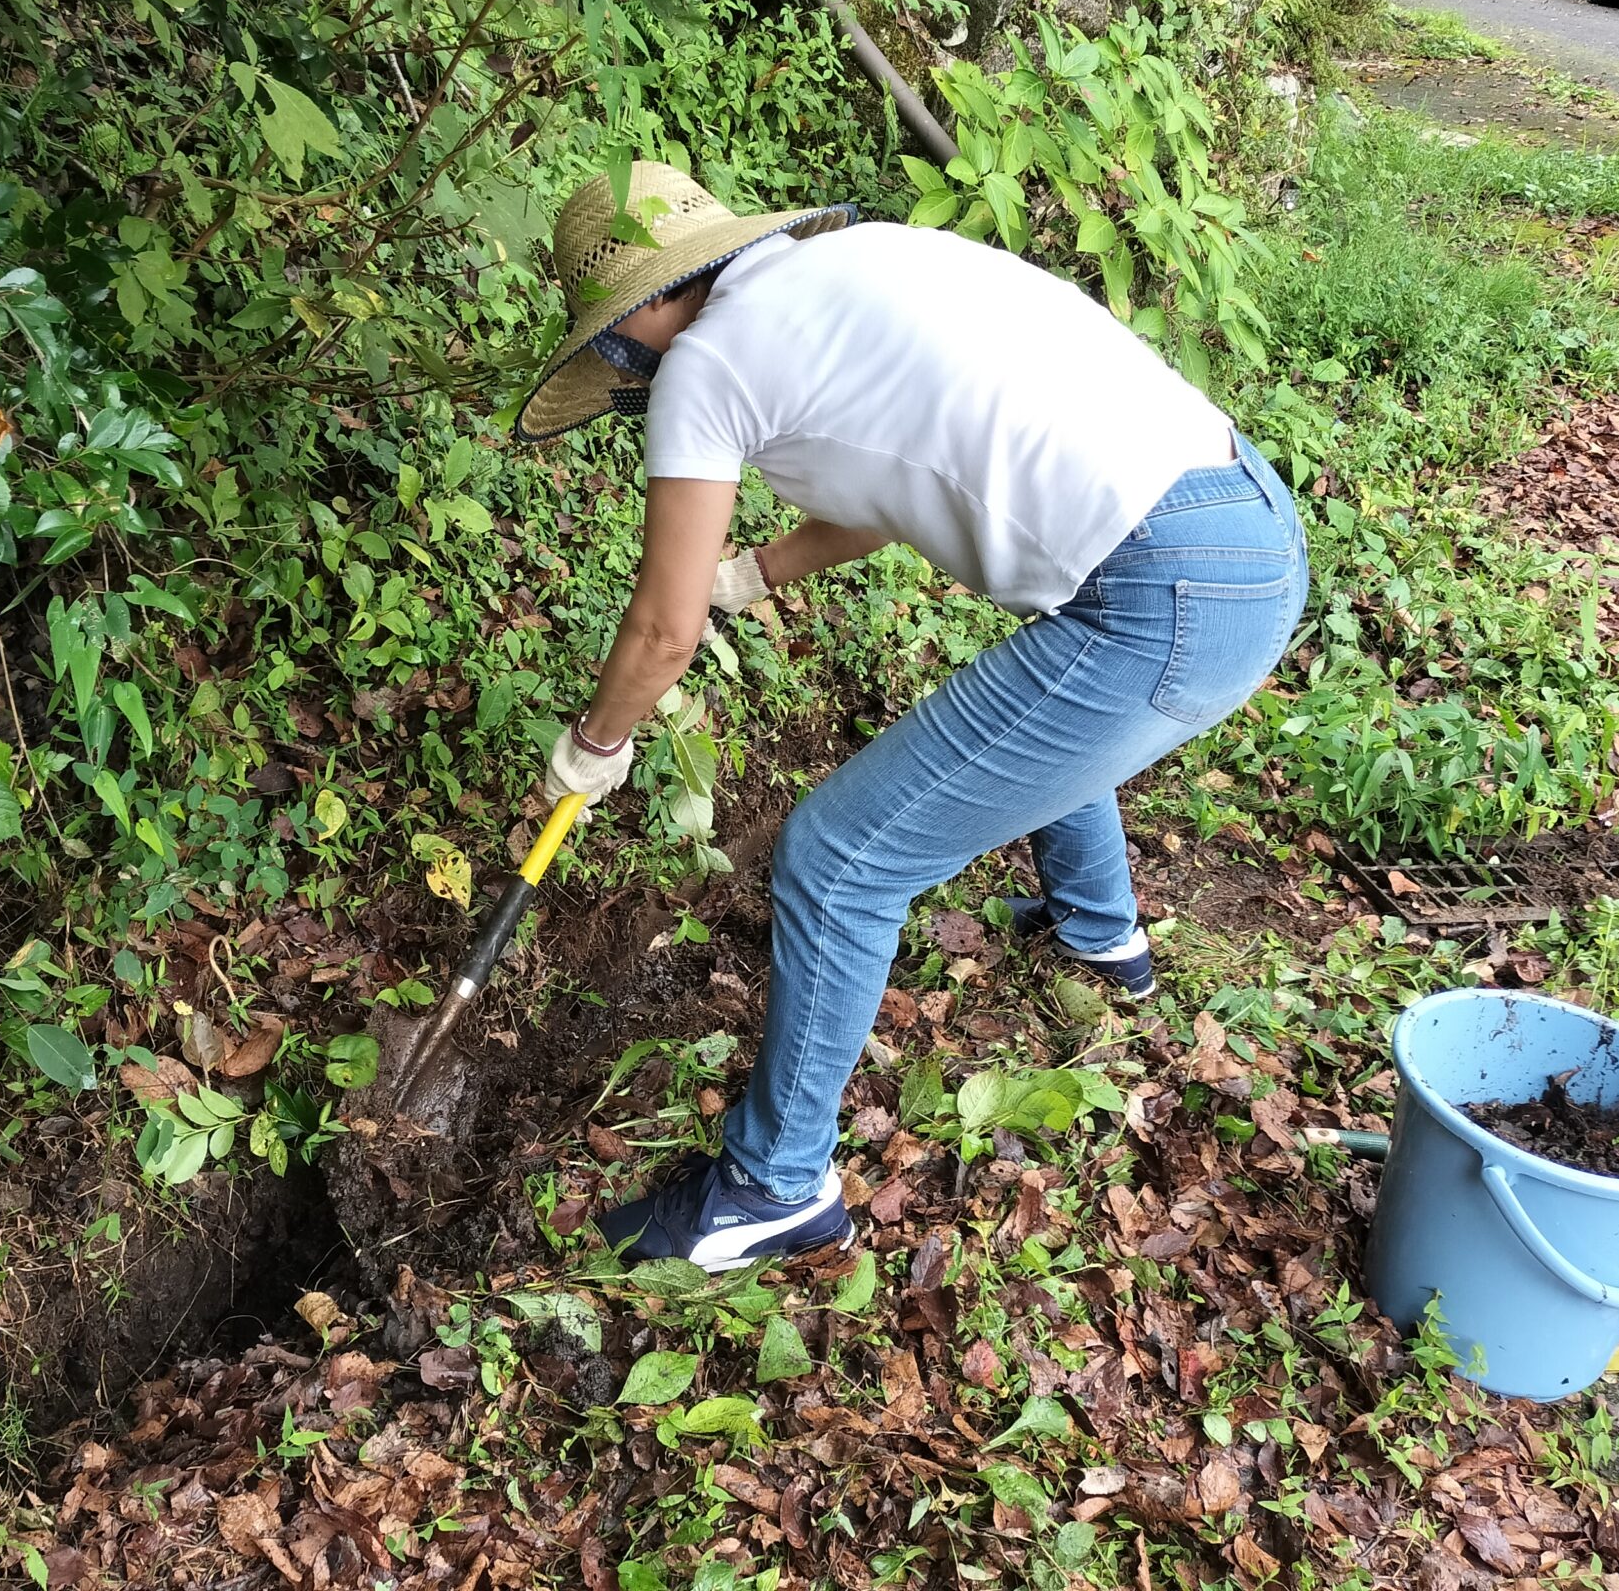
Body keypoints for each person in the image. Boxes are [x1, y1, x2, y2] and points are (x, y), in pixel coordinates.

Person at [515, 162, 1307, 1270]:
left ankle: (773, 1189)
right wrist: (750, 576)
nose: (621, 364)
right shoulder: (862, 264)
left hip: (1159, 593)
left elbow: (659, 634)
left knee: (839, 859)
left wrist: (590, 749)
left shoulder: (704, 363)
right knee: (1043, 714)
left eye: (610, 340)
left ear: (651, 300)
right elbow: (885, 492)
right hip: (1249, 532)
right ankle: (1099, 933)